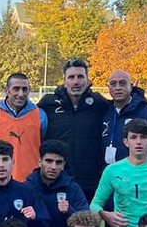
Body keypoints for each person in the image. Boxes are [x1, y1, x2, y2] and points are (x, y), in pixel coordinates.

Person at [38, 59, 110, 202]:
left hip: (90, 182)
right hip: (56, 178)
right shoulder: (48, 103)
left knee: (87, 223)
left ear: (88, 80)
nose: (76, 82)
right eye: (71, 77)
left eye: (80, 77)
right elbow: (24, 111)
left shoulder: (99, 103)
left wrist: (145, 102)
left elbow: (124, 106)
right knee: (56, 223)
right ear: (64, 81)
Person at [0, 72, 47, 182]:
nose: (21, 93)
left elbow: (46, 147)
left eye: (25, 89)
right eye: (16, 89)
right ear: (7, 90)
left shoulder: (40, 116)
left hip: (31, 184)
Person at [25, 139, 89, 227]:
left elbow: (87, 223)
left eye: (58, 162)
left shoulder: (73, 189)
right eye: (49, 161)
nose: (53, 167)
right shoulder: (27, 189)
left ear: (63, 165)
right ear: (40, 162)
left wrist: (69, 211)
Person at [102, 70, 147, 165]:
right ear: (108, 88)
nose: (118, 88)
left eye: (122, 83)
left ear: (131, 86)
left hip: (138, 175)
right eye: (113, 84)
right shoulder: (103, 110)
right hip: (111, 175)